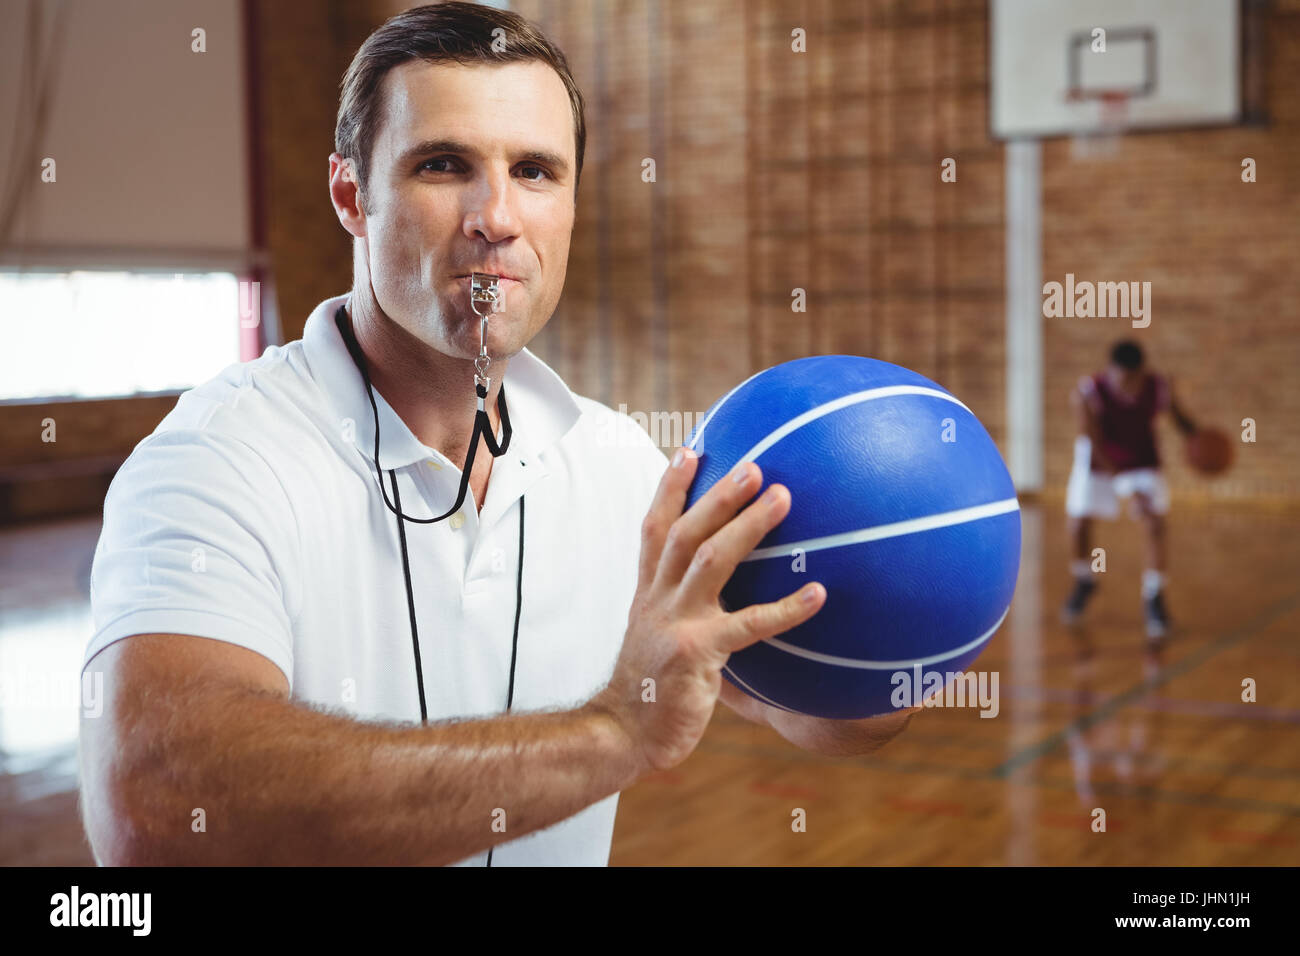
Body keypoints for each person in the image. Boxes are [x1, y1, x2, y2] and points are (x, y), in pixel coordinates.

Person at [78, 2, 915, 867]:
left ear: (572, 206)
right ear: (350, 195)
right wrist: (614, 731)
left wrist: (911, 611)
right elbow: (158, 807)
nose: (496, 217)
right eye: (443, 165)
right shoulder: (215, 459)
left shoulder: (624, 471)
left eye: (537, 171)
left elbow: (820, 715)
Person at [1062, 339, 1197, 639]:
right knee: (1078, 523)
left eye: (1132, 380)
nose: (1126, 386)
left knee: (1155, 523)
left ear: (1141, 374)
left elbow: (1178, 418)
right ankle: (1084, 580)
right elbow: (1094, 443)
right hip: (1099, 460)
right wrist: (1125, 487)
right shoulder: (1088, 392)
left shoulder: (1158, 387)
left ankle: (1154, 597)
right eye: (1120, 379)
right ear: (1110, 371)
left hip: (1141, 459)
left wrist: (1198, 437)